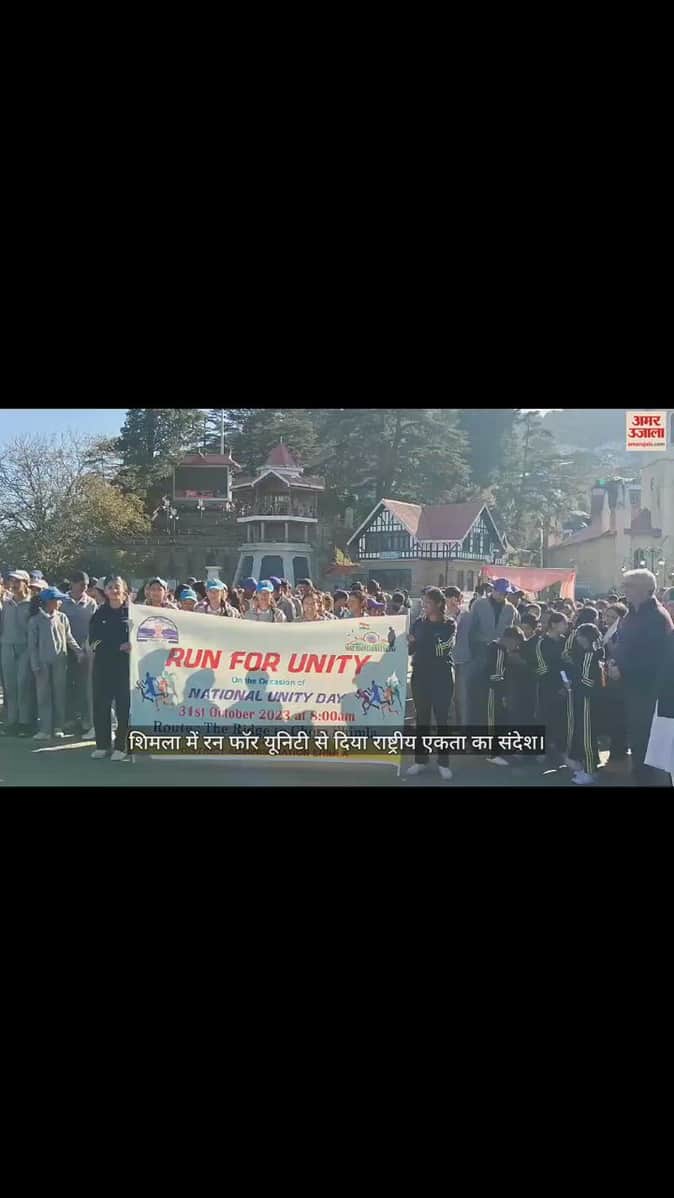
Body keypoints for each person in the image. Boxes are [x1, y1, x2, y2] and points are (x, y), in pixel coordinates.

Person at [609, 569, 673, 785]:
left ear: (646, 589)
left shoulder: (656, 617)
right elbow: (622, 644)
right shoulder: (631, 615)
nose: (624, 590)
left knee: (646, 743)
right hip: (631, 690)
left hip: (648, 693)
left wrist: (622, 669)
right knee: (636, 740)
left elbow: (654, 659)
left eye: (629, 586)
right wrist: (614, 662)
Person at [407, 587, 456, 781]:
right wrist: (410, 642)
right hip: (420, 675)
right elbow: (411, 650)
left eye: (427, 602)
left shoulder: (449, 624)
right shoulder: (418, 623)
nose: (424, 605)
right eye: (423, 602)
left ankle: (443, 763)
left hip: (442, 675)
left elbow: (442, 649)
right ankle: (421, 760)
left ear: (438, 603)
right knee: (422, 719)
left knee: (442, 719)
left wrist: (418, 641)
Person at [28, 587, 84, 740]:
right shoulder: (35, 620)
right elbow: (32, 646)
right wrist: (35, 664)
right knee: (43, 695)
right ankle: (45, 729)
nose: (60, 603)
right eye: (57, 600)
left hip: (60, 662)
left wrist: (79, 651)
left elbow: (69, 637)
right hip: (42, 663)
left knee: (59, 694)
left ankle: (58, 726)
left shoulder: (62, 617)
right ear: (49, 602)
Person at [89, 576, 131, 761]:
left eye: (117, 587)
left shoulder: (132, 613)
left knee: (124, 708)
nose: (114, 590)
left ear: (124, 589)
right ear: (105, 591)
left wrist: (132, 646)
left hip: (125, 668)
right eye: (110, 587)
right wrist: (116, 647)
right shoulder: (99, 614)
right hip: (103, 666)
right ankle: (102, 745)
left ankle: (121, 746)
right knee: (101, 706)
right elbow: (93, 642)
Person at [567, 623, 606, 785]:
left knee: (587, 736)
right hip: (588, 698)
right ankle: (588, 767)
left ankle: (590, 770)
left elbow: (587, 681)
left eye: (579, 636)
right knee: (586, 734)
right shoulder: (595, 653)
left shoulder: (590, 654)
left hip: (586, 699)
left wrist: (571, 682)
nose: (577, 639)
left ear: (586, 637)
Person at [482, 625, 526, 765]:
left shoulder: (492, 647)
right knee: (493, 720)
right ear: (510, 639)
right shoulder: (500, 650)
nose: (516, 647)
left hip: (490, 689)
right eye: (516, 643)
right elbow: (497, 675)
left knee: (498, 719)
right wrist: (503, 694)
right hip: (492, 690)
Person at [61, 570, 98, 739]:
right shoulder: (62, 601)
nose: (84, 588)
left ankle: (85, 720)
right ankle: (69, 719)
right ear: (72, 584)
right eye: (81, 584)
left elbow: (94, 627)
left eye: (86, 585)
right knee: (67, 684)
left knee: (84, 686)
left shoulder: (91, 603)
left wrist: (86, 648)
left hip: (85, 651)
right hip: (65, 650)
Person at [0, 570, 35, 737]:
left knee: (23, 685)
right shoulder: (6, 603)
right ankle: (12, 721)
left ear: (26, 583)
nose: (13, 584)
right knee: (10, 687)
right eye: (12, 581)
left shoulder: (32, 604)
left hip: (25, 648)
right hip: (7, 647)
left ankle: (25, 722)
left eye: (17, 581)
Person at [534, 611, 569, 766]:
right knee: (545, 718)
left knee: (561, 720)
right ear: (553, 624)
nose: (566, 626)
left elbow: (568, 664)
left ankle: (561, 752)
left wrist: (566, 684)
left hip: (566, 686)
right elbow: (543, 668)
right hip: (548, 687)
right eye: (563, 623)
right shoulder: (542, 643)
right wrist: (557, 686)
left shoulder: (565, 642)